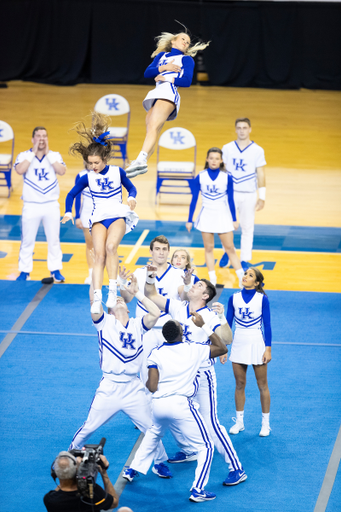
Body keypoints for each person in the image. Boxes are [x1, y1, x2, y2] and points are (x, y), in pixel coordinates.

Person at [143, 266, 247, 486]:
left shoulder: (209, 315)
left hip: (201, 375)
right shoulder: (179, 308)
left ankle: (236, 468)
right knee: (170, 412)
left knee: (211, 423)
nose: (194, 285)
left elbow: (226, 339)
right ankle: (191, 450)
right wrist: (150, 276)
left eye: (199, 285)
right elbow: (151, 294)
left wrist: (222, 318)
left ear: (206, 296)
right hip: (181, 374)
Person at [69, 275, 172, 479]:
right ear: (108, 309)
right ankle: (70, 453)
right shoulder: (104, 323)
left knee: (150, 428)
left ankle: (159, 461)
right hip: (110, 386)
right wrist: (95, 278)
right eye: (115, 299)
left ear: (128, 308)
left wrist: (137, 293)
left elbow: (156, 312)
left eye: (122, 300)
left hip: (133, 387)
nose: (118, 299)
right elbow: (93, 302)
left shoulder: (137, 324)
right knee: (90, 425)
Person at [124, 317, 228, 502]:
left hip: (158, 405)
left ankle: (132, 469)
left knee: (153, 434)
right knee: (206, 446)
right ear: (181, 333)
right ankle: (198, 489)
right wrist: (204, 325)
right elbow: (222, 348)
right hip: (181, 405)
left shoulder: (156, 353)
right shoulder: (193, 348)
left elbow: (152, 386)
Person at [61, 113, 138, 313]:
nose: (93, 167)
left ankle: (112, 290)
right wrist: (68, 212)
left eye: (96, 163)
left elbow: (132, 188)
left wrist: (132, 198)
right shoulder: (87, 177)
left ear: (104, 158)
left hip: (116, 215)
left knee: (112, 246)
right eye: (89, 163)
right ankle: (97, 297)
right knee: (99, 256)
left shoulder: (117, 172)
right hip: (97, 218)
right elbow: (71, 194)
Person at [125, 27, 209, 178]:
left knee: (152, 127)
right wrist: (165, 68)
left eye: (188, 42)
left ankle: (140, 160)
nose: (186, 42)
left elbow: (187, 81)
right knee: (151, 130)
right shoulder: (162, 56)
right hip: (157, 92)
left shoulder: (186, 59)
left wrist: (167, 77)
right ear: (173, 41)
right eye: (183, 39)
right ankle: (142, 162)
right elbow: (147, 73)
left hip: (169, 92)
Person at [119, 235, 193, 388]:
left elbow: (184, 297)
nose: (161, 253)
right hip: (146, 330)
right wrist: (121, 283)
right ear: (151, 252)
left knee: (171, 371)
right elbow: (126, 299)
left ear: (168, 252)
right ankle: (149, 409)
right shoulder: (139, 273)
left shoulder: (177, 274)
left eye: (164, 250)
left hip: (170, 330)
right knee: (147, 373)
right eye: (157, 249)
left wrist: (187, 285)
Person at [186, 147, 244, 288]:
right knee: (209, 248)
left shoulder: (227, 177)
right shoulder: (200, 176)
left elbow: (231, 199)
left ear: (221, 160)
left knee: (230, 248)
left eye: (217, 158)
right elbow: (194, 199)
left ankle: (242, 277)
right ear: (207, 159)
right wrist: (189, 219)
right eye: (211, 158)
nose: (214, 161)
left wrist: (234, 219)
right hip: (206, 215)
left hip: (222, 215)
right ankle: (212, 279)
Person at [14, 126, 66, 282]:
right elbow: (20, 170)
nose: (41, 139)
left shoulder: (54, 155)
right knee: (27, 240)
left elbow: (61, 171)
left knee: (54, 239)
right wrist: (33, 153)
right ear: (33, 139)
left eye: (44, 136)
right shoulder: (24, 155)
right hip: (31, 205)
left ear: (47, 139)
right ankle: (24, 272)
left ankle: (55, 270)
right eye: (38, 136)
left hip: (51, 204)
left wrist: (48, 154)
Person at [227, 267, 272, 437]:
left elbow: (267, 325)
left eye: (250, 275)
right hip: (238, 342)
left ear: (257, 282)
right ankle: (239, 422)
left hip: (256, 343)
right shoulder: (234, 298)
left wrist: (268, 348)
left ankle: (265, 424)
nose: (245, 276)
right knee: (239, 384)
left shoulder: (262, 299)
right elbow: (228, 323)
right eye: (245, 274)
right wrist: (224, 347)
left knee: (262, 385)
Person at [220, 118, 266, 271]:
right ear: (235, 129)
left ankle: (245, 258)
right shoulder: (227, 148)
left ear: (250, 129)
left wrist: (262, 196)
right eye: (239, 127)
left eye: (244, 128)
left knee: (247, 227)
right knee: (226, 225)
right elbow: (222, 170)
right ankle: (227, 251)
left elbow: (261, 173)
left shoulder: (257, 150)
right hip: (231, 193)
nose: (241, 130)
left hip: (249, 194)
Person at [43, 451, 118, 511]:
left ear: (55, 474)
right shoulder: (92, 492)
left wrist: (66, 474)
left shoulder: (50, 500)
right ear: (76, 470)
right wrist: (103, 472)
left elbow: (61, 487)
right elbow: (114, 503)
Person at [74, 161, 94, 284]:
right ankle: (91, 274)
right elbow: (77, 196)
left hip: (103, 214)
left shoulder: (106, 173)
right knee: (90, 245)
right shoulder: (81, 175)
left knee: (107, 246)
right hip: (87, 213)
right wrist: (77, 216)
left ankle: (113, 274)